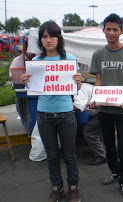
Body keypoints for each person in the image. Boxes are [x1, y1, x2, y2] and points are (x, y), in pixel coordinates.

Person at [20, 21, 82, 202]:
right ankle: (56, 188)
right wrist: (26, 81)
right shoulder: (36, 62)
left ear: (59, 38)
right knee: (52, 155)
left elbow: (76, 87)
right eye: (44, 36)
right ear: (40, 40)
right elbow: (33, 87)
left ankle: (73, 188)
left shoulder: (69, 59)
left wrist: (78, 81)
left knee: (69, 155)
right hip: (44, 114)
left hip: (66, 114)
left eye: (52, 35)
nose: (48, 40)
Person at [90, 13, 123, 198]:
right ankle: (115, 171)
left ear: (121, 31)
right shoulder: (98, 54)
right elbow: (98, 79)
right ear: (103, 31)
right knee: (109, 145)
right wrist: (96, 97)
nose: (111, 32)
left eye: (115, 29)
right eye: (108, 29)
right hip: (104, 109)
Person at [73, 83, 107, 165]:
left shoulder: (79, 89)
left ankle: (101, 156)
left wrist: (62, 105)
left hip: (103, 112)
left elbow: (78, 106)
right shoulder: (83, 86)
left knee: (89, 132)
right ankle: (104, 152)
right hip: (103, 111)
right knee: (98, 131)